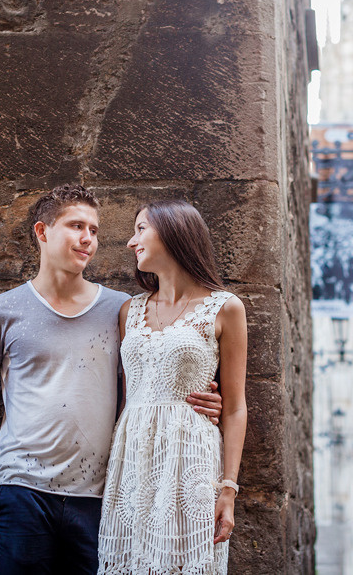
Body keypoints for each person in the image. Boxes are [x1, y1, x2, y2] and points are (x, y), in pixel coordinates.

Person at [0, 185, 222, 574]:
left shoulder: (123, 309)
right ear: (42, 232)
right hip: (21, 495)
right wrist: (13, 467)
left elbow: (154, 373)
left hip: (101, 496)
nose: (88, 239)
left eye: (95, 230)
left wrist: (199, 400)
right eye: (76, 225)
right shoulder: (2, 310)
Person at [97, 200, 248, 575]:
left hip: (190, 456)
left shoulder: (226, 308)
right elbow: (125, 394)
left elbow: (233, 407)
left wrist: (228, 489)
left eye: (141, 229)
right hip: (131, 455)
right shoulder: (128, 311)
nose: (132, 242)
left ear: (174, 232)